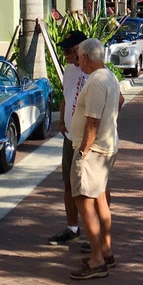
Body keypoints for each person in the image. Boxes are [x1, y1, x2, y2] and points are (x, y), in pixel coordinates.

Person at [69, 38, 124, 280]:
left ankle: (96, 260)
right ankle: (106, 250)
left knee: (84, 202)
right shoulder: (109, 76)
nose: (78, 60)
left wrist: (83, 150)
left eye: (79, 56)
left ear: (86, 58)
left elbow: (92, 121)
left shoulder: (95, 83)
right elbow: (119, 101)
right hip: (107, 146)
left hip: (93, 152)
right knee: (100, 197)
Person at [48, 29, 89, 246]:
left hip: (89, 140)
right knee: (68, 184)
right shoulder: (69, 70)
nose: (65, 53)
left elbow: (116, 102)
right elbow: (66, 97)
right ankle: (72, 228)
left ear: (80, 49)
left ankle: (97, 234)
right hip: (70, 136)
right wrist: (62, 121)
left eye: (68, 49)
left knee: (94, 189)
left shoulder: (94, 71)